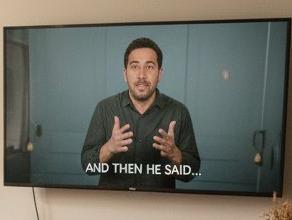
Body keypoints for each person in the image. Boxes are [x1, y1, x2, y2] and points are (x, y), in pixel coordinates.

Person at [80, 37, 201, 190]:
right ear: (125, 74)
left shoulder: (179, 112)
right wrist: (108, 148)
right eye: (135, 67)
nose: (142, 75)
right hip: (112, 206)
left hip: (159, 208)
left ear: (160, 74)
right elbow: (87, 166)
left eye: (149, 67)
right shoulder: (105, 108)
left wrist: (175, 154)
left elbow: (192, 172)